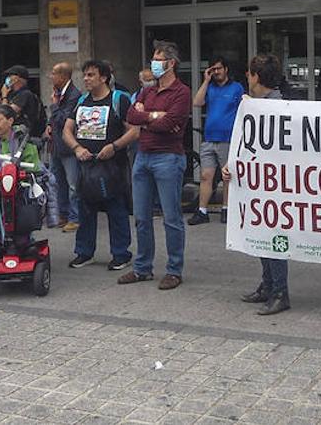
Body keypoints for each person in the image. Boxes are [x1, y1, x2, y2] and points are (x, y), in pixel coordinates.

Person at [121, 40, 192, 290]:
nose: (154, 63)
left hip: (168, 158)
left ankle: (174, 270)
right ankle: (142, 268)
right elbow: (130, 116)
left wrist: (147, 117)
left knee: (171, 218)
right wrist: (153, 116)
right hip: (143, 157)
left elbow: (171, 124)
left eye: (158, 58)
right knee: (141, 217)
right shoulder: (148, 90)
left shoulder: (182, 92)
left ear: (171, 63)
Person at [227, 53, 293, 315]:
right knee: (263, 234)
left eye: (250, 73)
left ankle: (279, 291)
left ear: (256, 77)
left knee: (273, 235)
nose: (247, 78)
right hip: (261, 179)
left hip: (273, 182)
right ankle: (268, 285)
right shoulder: (259, 103)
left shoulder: (273, 106)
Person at [65, 60, 137, 271]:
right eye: (85, 75)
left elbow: (134, 130)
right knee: (85, 209)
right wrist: (77, 148)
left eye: (91, 75)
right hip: (86, 166)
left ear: (104, 77)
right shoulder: (81, 101)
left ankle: (121, 253)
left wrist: (114, 146)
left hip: (112, 166)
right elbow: (67, 129)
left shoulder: (119, 100)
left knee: (117, 210)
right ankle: (84, 252)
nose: (86, 79)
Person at [0, 106, 42, 261]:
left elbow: (34, 165)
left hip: (19, 185)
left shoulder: (24, 140)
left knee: (24, 198)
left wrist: (25, 175)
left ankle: (24, 241)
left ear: (10, 121)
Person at [190, 56, 244, 225]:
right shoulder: (211, 87)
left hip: (227, 139)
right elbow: (197, 102)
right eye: (213, 69)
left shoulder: (236, 88)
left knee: (227, 177)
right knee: (206, 176)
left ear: (226, 69)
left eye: (219, 68)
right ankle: (202, 211)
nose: (216, 72)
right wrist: (205, 81)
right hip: (209, 139)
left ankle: (226, 209)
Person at [47, 62, 82, 233]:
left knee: (73, 184)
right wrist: (49, 124)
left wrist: (54, 105)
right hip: (56, 145)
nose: (50, 76)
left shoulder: (74, 95)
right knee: (56, 182)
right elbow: (54, 119)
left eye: (53, 73)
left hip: (68, 147)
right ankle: (62, 213)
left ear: (63, 76)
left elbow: (64, 119)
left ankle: (75, 217)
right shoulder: (58, 92)